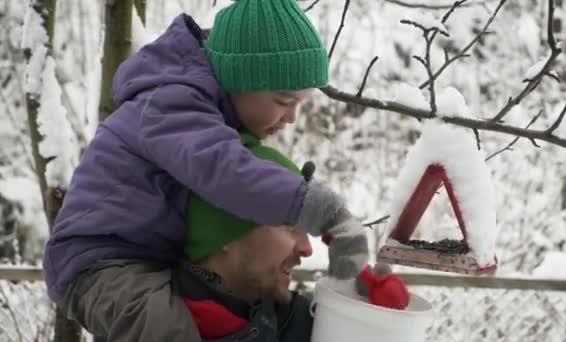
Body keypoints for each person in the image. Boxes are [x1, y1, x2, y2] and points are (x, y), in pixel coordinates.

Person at [43, 0, 369, 341]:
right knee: (166, 329)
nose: (290, 119)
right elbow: (228, 172)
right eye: (283, 102)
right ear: (239, 80)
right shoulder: (171, 103)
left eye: (298, 105)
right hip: (99, 260)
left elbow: (249, 169)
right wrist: (323, 212)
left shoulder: (206, 117)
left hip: (155, 257)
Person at [175, 132, 316, 341]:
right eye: (289, 225)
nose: (307, 248)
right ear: (222, 233)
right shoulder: (131, 325)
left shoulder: (306, 325)